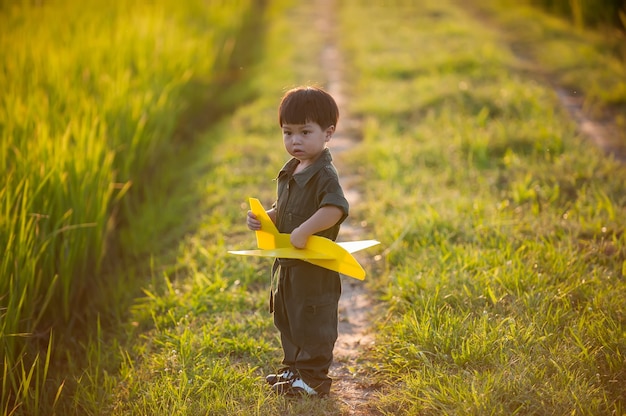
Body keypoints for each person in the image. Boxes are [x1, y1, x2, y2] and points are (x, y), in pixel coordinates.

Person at [246, 86, 349, 397]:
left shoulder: (324, 174)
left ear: (327, 133)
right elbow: (287, 207)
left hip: (314, 267)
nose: (295, 141)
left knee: (313, 320)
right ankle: (293, 369)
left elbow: (334, 208)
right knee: (287, 316)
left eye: (305, 132)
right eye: (288, 133)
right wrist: (268, 217)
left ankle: (314, 378)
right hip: (290, 265)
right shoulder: (291, 170)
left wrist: (305, 230)